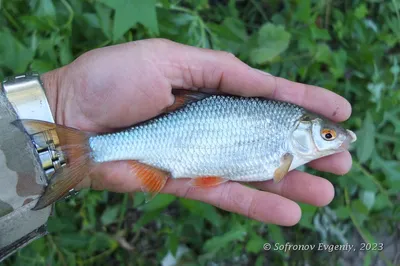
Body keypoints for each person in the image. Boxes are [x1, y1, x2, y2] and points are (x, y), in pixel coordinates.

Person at [0, 38, 352, 259]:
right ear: (303, 131)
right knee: (94, 149)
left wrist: (54, 105)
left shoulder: (287, 151)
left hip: (178, 155)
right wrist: (61, 102)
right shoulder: (285, 150)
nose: (331, 142)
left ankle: (56, 146)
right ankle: (79, 149)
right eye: (327, 137)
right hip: (167, 148)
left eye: (329, 138)